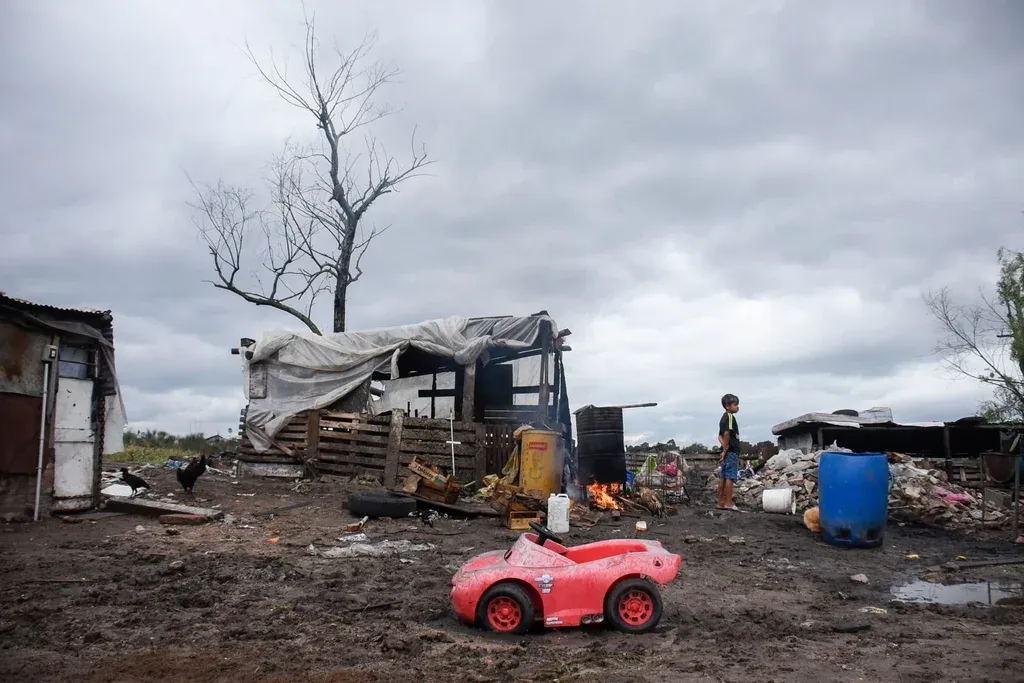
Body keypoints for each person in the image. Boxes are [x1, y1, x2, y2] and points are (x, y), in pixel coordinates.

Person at [717, 393, 741, 511]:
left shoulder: (723, 418)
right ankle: (728, 503)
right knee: (730, 478)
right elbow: (726, 434)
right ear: (728, 406)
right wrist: (726, 450)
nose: (737, 407)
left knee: (723, 477)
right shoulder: (730, 417)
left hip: (727, 452)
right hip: (731, 452)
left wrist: (723, 449)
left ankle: (720, 502)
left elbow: (719, 436)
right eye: (735, 405)